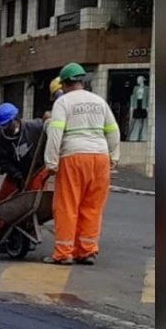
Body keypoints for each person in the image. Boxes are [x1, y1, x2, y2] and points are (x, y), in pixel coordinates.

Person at [44, 62, 120, 266]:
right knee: (93, 206)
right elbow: (113, 130)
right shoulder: (99, 101)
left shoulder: (63, 102)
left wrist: (51, 162)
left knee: (67, 206)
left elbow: (55, 132)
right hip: (101, 157)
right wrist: (114, 156)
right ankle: (87, 251)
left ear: (65, 83)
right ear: (82, 81)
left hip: (74, 156)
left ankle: (64, 253)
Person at [0, 102, 48, 242]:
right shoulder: (2, 141)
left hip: (37, 170)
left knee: (33, 202)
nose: (6, 129)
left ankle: (29, 229)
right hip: (16, 173)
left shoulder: (35, 128)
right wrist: (17, 176)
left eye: (8, 124)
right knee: (1, 201)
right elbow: (3, 161)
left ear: (16, 119)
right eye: (3, 126)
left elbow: (49, 125)